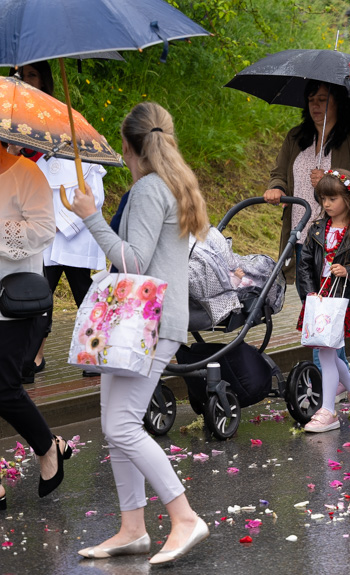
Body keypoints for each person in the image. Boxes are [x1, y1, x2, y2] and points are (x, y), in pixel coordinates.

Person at [70, 102, 211, 564]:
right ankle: (132, 527)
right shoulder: (169, 183)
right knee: (116, 422)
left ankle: (184, 515)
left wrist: (91, 216)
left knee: (121, 424)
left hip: (146, 323)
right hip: (145, 322)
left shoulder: (151, 189)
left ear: (128, 145)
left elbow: (133, 263)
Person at [261, 81, 350, 376]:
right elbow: (279, 172)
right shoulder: (297, 136)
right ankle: (330, 369)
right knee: (316, 301)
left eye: (323, 99)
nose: (316, 105)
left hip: (344, 233)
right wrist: (276, 187)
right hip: (303, 231)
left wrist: (333, 178)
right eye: (311, 100)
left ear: (339, 103)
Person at [7, 62, 107, 382]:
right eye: (20, 76)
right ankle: (28, 361)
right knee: (38, 294)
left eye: (32, 75)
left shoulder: (68, 124)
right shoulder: (11, 127)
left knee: (85, 296)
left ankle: (96, 355)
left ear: (47, 81)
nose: (26, 81)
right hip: (40, 230)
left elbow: (92, 176)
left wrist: (67, 220)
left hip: (73, 229)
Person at [0, 141, 72, 510]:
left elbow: (44, 229)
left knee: (4, 388)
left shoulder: (27, 174)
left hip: (10, 303)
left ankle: (48, 448)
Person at [296, 169, 350, 432]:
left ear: (348, 198)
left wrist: (348, 271)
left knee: (325, 351)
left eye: (332, 199)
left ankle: (328, 411)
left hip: (344, 299)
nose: (326, 204)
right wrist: (309, 292)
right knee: (324, 349)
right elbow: (304, 263)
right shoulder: (317, 228)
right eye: (322, 199)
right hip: (321, 298)